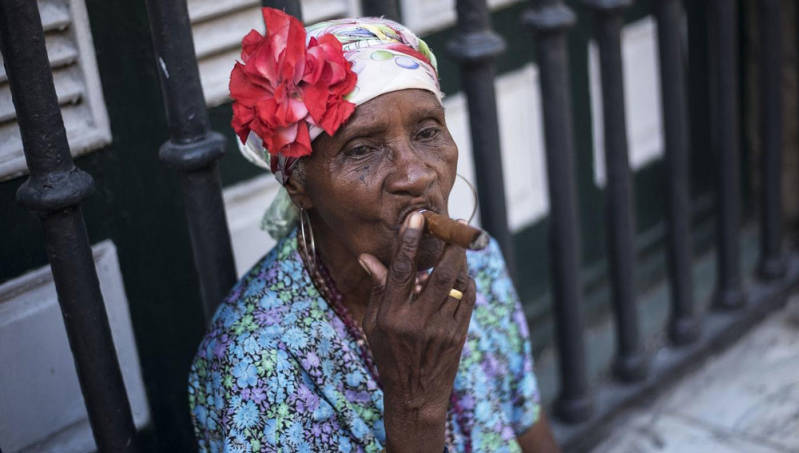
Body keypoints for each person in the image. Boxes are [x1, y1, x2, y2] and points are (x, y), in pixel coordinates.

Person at [188, 8, 559, 452]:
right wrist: (413, 407)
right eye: (362, 149)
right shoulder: (256, 362)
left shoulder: (475, 263)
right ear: (298, 185)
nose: (415, 175)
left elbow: (526, 424)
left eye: (426, 132)